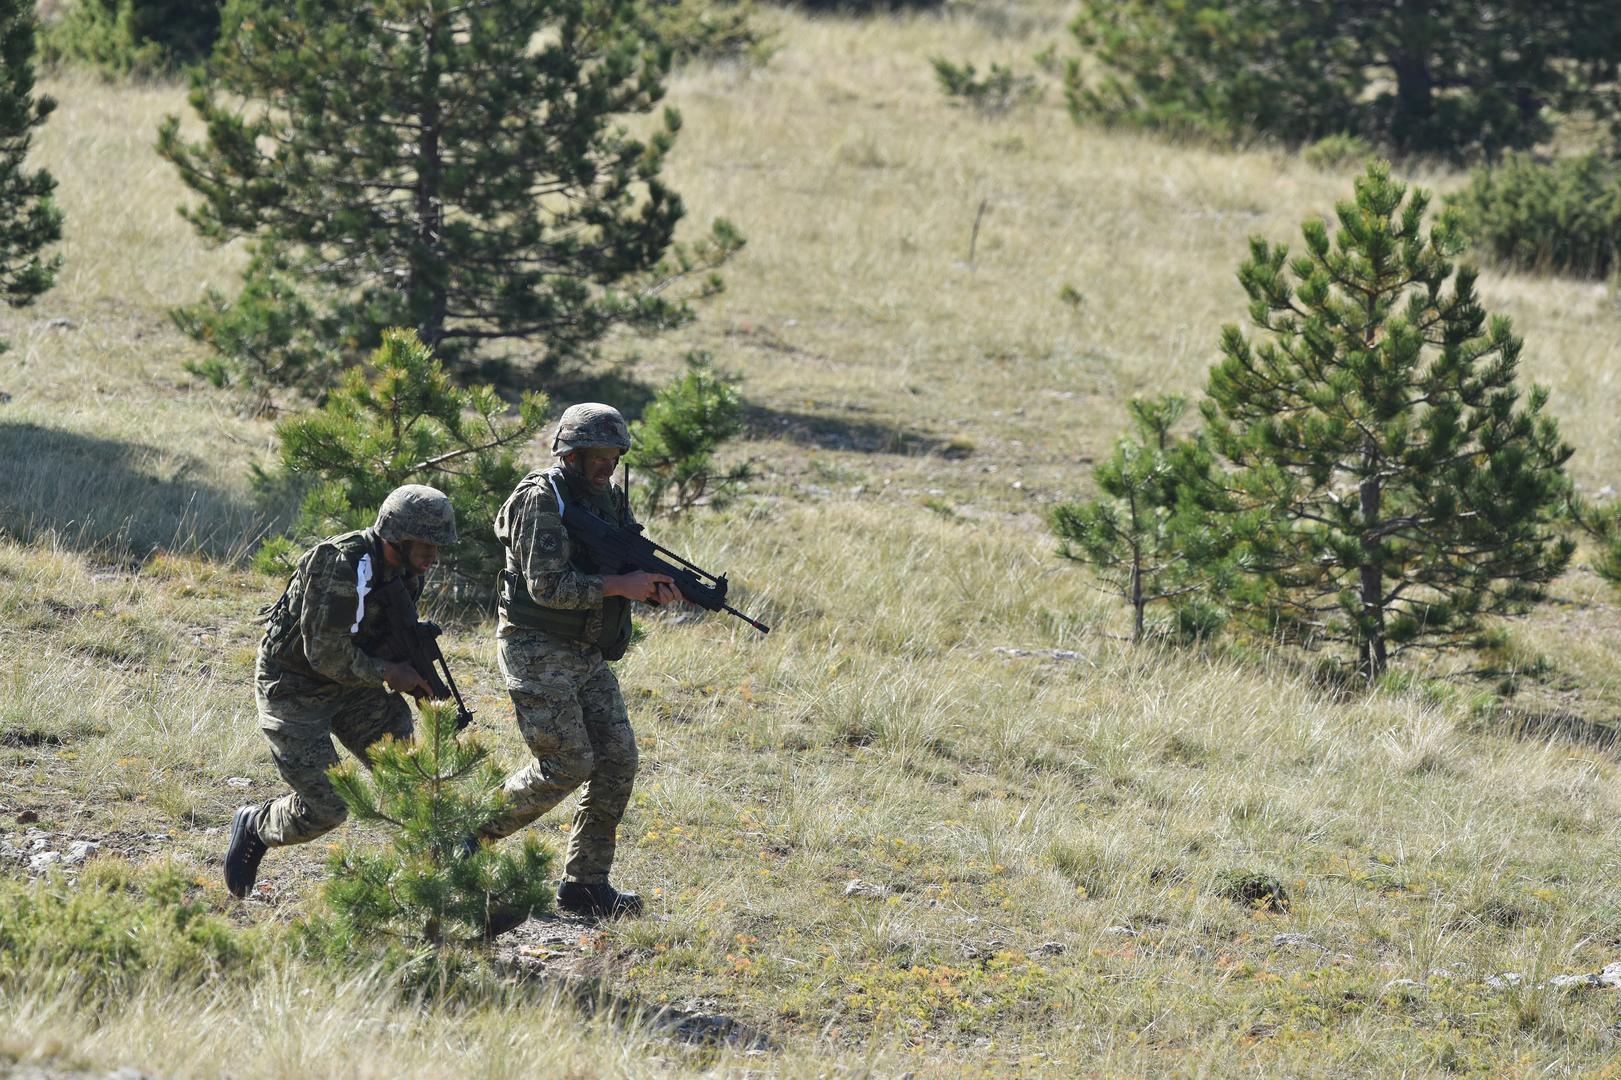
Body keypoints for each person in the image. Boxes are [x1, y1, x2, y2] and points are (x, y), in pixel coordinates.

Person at [476, 403, 678, 918]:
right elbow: (545, 587)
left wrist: (657, 588)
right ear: (570, 452)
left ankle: (585, 884)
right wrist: (620, 585)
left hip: (585, 651)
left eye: (613, 455)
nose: (606, 466)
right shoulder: (541, 501)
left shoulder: (608, 502)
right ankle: (463, 835)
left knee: (617, 759)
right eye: (596, 455)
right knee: (568, 762)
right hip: (537, 648)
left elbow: (628, 561)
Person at [223, 484, 457, 899]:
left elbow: (384, 635)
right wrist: (389, 673)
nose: (434, 557)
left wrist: (416, 677)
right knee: (327, 809)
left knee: (412, 777)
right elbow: (323, 654)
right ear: (397, 536)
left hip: (356, 689)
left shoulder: (407, 574)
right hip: (294, 689)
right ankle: (256, 826)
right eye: (427, 545)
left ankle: (437, 888)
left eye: (439, 547)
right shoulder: (338, 564)